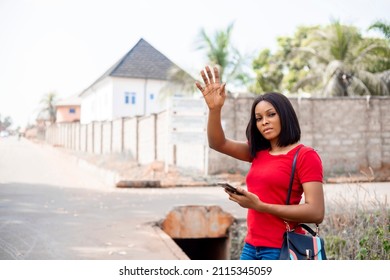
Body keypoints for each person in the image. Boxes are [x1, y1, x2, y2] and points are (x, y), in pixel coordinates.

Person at [195, 65, 325, 260]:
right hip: (251, 247)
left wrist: (261, 206)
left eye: (271, 114)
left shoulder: (305, 156)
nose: (264, 121)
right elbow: (217, 143)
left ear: (285, 116)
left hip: (281, 248)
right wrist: (215, 109)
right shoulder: (258, 152)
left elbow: (316, 212)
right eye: (258, 118)